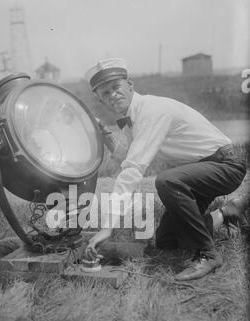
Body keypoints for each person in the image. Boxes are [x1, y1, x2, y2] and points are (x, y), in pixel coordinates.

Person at [84, 58, 248, 281]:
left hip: (225, 165)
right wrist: (104, 134)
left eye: (116, 87)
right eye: (105, 93)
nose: (112, 95)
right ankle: (227, 213)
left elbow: (131, 170)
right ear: (100, 100)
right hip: (199, 172)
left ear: (130, 85)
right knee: (166, 241)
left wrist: (107, 227)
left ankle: (208, 254)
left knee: (167, 181)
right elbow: (124, 155)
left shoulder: (151, 111)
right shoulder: (132, 118)